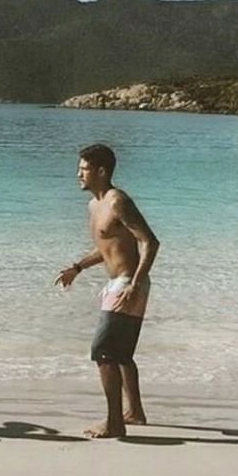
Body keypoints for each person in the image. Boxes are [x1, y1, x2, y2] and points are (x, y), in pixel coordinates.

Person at [54, 144, 159, 438]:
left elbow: (150, 242)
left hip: (128, 283)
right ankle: (135, 412)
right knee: (122, 354)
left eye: (84, 169)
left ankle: (115, 423)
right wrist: (77, 267)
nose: (78, 174)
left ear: (101, 171)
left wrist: (135, 284)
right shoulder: (94, 205)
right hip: (118, 283)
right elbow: (107, 247)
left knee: (103, 352)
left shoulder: (118, 202)